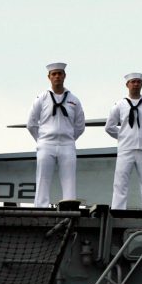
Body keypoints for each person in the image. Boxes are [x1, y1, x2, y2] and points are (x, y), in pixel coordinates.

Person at [27, 62, 86, 207]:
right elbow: (31, 123)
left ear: (64, 76)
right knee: (43, 179)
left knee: (69, 180)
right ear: (49, 77)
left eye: (60, 73)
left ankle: (69, 210)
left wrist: (69, 138)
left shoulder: (73, 100)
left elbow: (80, 125)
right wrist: (41, 140)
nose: (57, 76)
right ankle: (40, 208)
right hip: (46, 143)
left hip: (67, 144)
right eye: (54, 74)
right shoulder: (42, 98)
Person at [105, 73, 142, 210]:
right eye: (133, 82)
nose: (136, 84)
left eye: (138, 82)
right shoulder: (120, 105)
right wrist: (123, 136)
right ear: (127, 85)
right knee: (120, 181)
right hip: (126, 149)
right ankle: (118, 209)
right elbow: (109, 126)